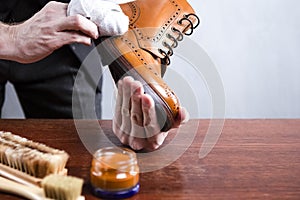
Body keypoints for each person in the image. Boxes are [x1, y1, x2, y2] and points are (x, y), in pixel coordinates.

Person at [0, 1, 188, 151]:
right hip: (54, 23)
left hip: (65, 31)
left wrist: (134, 94)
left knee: (79, 155)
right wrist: (12, 38)